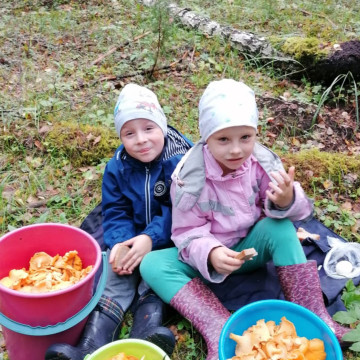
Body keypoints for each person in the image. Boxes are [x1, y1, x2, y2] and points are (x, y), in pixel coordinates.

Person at [140, 79, 350, 360]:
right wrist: (211, 252)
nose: (236, 150)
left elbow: (300, 213)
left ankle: (313, 312)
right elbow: (186, 230)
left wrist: (286, 200)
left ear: (255, 133)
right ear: (206, 137)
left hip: (253, 248)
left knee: (280, 226)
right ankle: (217, 326)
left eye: (245, 138)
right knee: (152, 263)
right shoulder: (189, 178)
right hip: (214, 258)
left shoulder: (263, 163)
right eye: (223, 139)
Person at [45, 83, 192, 360]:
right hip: (133, 235)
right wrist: (119, 243)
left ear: (162, 124)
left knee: (154, 277)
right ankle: (88, 347)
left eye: (149, 128)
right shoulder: (117, 166)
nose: (141, 140)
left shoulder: (183, 161)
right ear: (120, 136)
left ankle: (146, 335)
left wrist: (150, 238)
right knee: (114, 277)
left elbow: (185, 210)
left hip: (172, 237)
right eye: (129, 133)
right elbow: (114, 211)